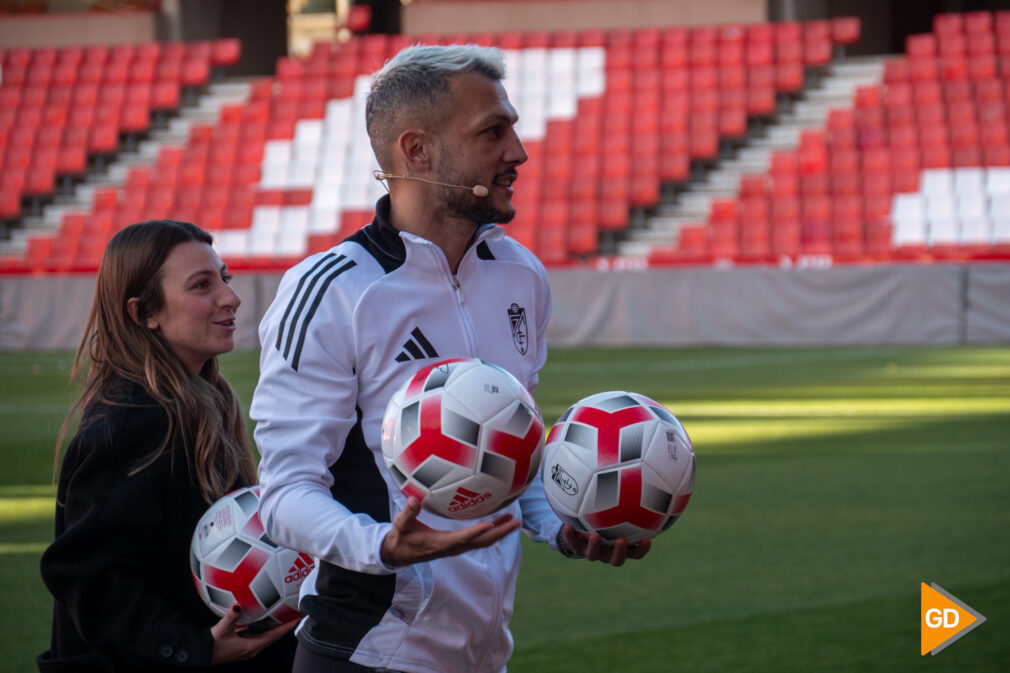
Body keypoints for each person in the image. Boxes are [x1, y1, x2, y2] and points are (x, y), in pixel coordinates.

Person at [251, 44, 650, 673]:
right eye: (493, 132)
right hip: (369, 651)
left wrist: (568, 527)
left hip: (484, 657)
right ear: (417, 151)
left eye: (513, 128)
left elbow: (515, 469)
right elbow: (285, 494)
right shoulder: (331, 291)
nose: (518, 152)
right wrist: (382, 545)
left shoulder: (521, 275)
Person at [37, 220, 296, 672]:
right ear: (143, 314)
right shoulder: (132, 425)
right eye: (202, 285)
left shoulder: (202, 403)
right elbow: (88, 580)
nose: (229, 298)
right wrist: (193, 647)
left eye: (225, 278)